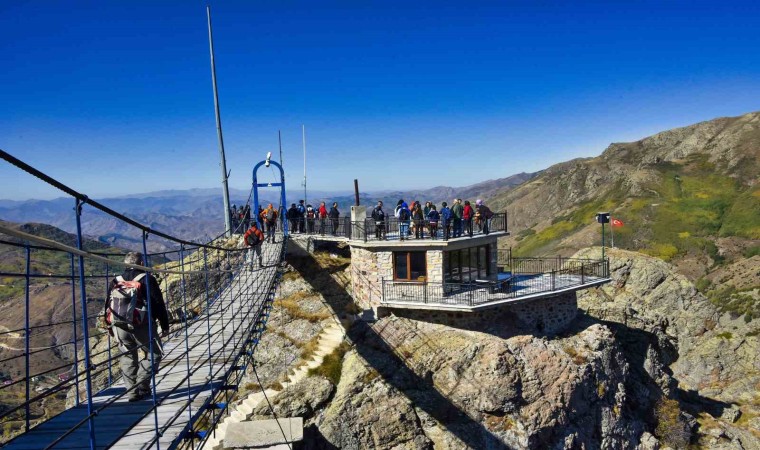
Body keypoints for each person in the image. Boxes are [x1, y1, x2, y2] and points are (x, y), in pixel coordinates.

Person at [108, 252, 169, 402]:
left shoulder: (116, 280)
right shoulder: (147, 278)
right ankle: (142, 385)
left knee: (127, 357)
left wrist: (110, 326)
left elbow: (107, 304)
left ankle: (132, 393)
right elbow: (158, 303)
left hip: (119, 326)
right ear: (141, 263)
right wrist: (164, 325)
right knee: (154, 354)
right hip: (142, 325)